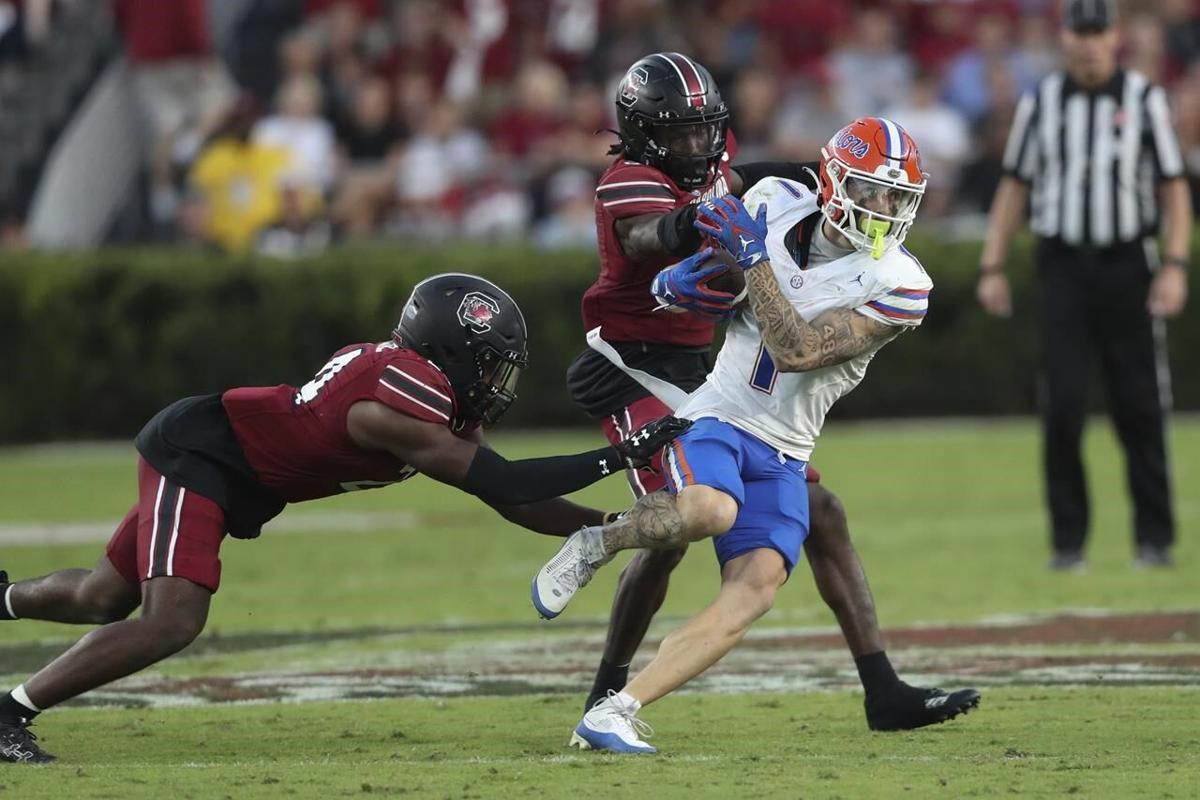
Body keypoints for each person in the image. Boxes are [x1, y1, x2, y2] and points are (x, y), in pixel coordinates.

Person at [0, 273, 687, 764]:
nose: (496, 382)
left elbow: (509, 497)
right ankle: (11, 711)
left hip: (236, 475)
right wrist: (617, 456)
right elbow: (505, 478)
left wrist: (609, 524)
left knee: (100, 596)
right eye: (488, 364)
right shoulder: (390, 400)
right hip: (201, 456)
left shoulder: (425, 396)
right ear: (447, 352)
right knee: (170, 619)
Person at [537, 117, 981, 753]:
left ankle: (615, 709)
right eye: (872, 191)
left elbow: (798, 349)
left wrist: (749, 264)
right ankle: (598, 540)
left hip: (786, 448)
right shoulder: (774, 201)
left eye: (897, 197)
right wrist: (681, 283)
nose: (885, 209)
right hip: (717, 413)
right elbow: (709, 272)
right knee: (707, 511)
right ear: (832, 182)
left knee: (756, 590)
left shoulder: (902, 284)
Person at [976, 0, 1192, 571]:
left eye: (1098, 32)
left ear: (1114, 37)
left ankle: (1155, 539)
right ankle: (1068, 545)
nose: (1089, 43)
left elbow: (1173, 188)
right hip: (1063, 266)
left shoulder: (1144, 99)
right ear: (1065, 37)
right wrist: (992, 265)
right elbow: (1015, 186)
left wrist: (1174, 265)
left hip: (1127, 264)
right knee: (1063, 407)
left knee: (1140, 405)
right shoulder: (1041, 101)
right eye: (1080, 32)